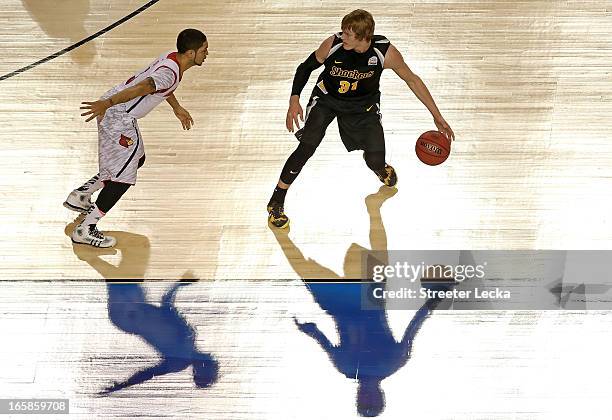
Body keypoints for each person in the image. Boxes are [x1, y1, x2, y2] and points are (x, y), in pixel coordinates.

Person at [267, 9, 455, 228]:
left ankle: (378, 167)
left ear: (364, 37)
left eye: (348, 34)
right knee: (307, 146)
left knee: (375, 159)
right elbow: (305, 67)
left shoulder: (384, 52)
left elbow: (412, 80)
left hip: (363, 106)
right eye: (343, 32)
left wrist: (437, 115)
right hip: (327, 99)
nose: (342, 36)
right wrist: (294, 99)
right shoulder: (333, 44)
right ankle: (276, 201)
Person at [64, 28, 208, 247]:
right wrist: (107, 104)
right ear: (190, 53)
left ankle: (81, 195)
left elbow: (159, 87)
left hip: (118, 113)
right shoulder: (169, 72)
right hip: (118, 117)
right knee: (123, 178)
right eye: (204, 50)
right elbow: (144, 86)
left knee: (136, 159)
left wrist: (176, 107)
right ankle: (85, 229)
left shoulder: (172, 59)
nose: (207, 54)